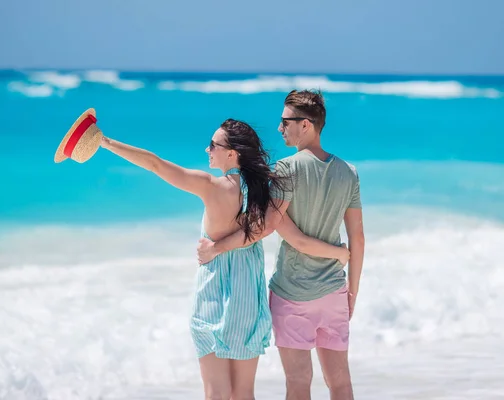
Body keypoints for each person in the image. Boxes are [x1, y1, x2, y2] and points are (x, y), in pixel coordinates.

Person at [98, 118, 350, 400]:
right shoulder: (264, 190)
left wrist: (105, 142)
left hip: (214, 295)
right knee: (243, 394)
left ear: (232, 153)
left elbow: (155, 164)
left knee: (216, 393)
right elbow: (275, 230)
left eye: (213, 145)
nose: (207, 150)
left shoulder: (212, 186)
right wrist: (339, 251)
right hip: (248, 298)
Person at [197, 90, 365, 400]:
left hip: (293, 293)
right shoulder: (348, 172)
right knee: (340, 381)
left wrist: (217, 248)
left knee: (299, 382)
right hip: (335, 291)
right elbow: (358, 238)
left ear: (306, 125)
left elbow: (270, 228)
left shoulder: (288, 169)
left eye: (285, 121)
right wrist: (352, 290)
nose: (279, 128)